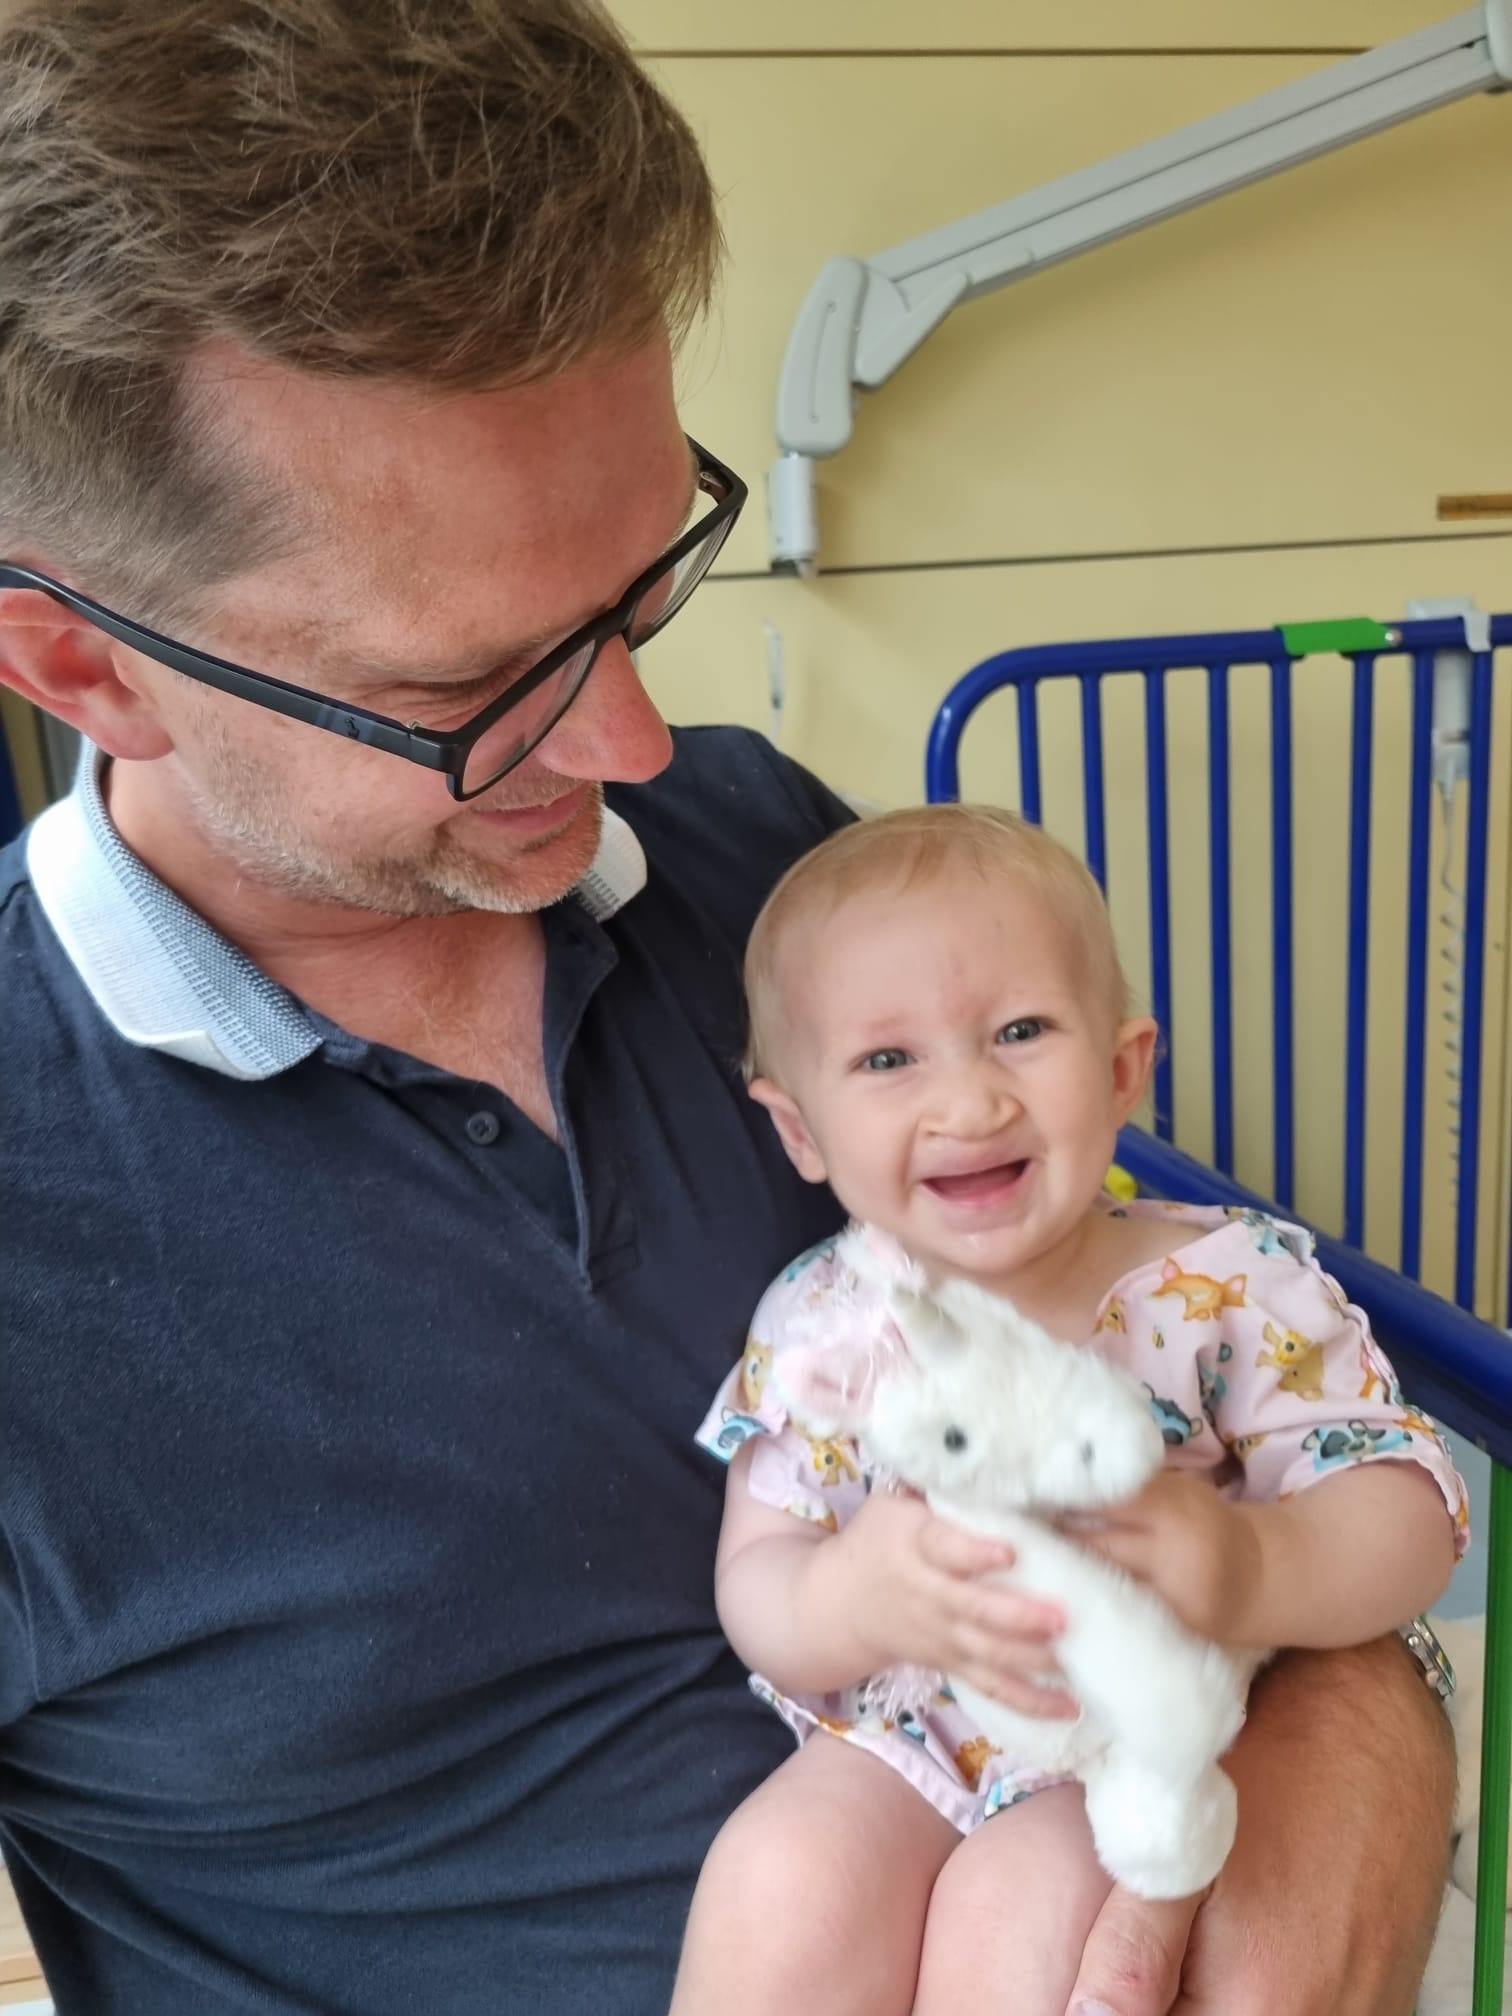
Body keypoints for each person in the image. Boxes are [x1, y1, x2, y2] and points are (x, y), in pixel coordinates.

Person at [0, 5, 1459, 2012]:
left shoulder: (787, 876)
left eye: (644, 578)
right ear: (82, 661)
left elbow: (1258, 1453)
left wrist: (1342, 1828)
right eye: (469, 684)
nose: (630, 736)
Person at [669, 805, 1466, 2015]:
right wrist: (850, 1597)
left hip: (1115, 1742)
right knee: (772, 1883)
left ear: (1119, 1069)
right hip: (904, 1732)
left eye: (1020, 1032)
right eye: (890, 1061)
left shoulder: (1221, 1285)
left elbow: (1405, 1509)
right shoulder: (829, 1320)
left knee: (1023, 1926)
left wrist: (1255, 1560)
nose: (970, 1100)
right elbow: (760, 1573)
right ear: (799, 1129)